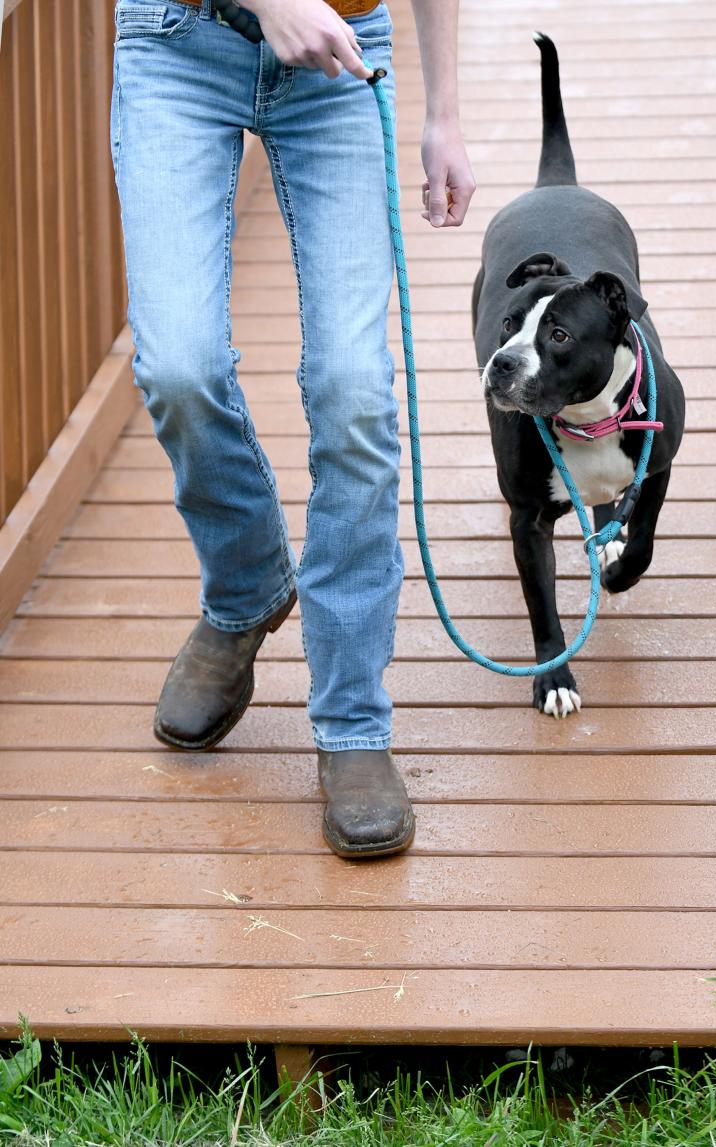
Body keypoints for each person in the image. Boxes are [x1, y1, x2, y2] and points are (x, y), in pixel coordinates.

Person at [110, 0, 475, 858]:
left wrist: (446, 113)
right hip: (176, 42)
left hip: (342, 57)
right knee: (178, 366)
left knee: (353, 390)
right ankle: (245, 588)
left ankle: (352, 720)